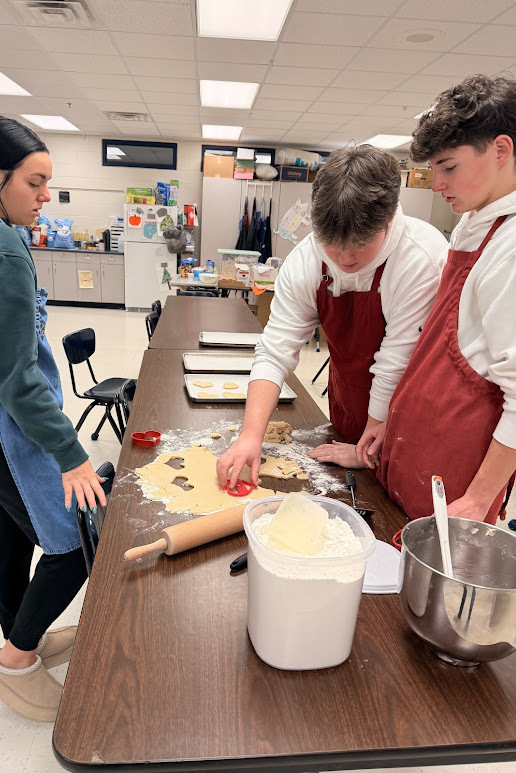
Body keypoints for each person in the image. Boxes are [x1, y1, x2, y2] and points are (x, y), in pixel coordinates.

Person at [0, 116, 107, 721]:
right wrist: (72, 454)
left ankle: (22, 638)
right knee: (81, 533)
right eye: (35, 183)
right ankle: (12, 661)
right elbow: (16, 378)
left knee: (8, 527)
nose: (45, 198)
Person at [217, 144, 447, 489]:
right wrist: (250, 436)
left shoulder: (420, 258)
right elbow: (275, 350)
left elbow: (396, 363)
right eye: (330, 244)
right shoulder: (305, 259)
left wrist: (366, 449)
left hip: (411, 413)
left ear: (387, 222)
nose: (343, 257)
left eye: (358, 245)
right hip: (350, 402)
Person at [357, 74, 516, 525]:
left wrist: (481, 496)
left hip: (458, 474)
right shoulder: (474, 224)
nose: (436, 184)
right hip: (417, 453)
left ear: (501, 150)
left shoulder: (511, 247)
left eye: (448, 167)